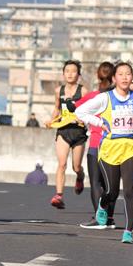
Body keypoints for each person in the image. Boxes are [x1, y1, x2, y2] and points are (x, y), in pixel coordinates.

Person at [75, 62, 133, 243]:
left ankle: (128, 231)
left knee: (128, 190)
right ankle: (102, 206)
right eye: (121, 74)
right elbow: (80, 111)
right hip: (109, 148)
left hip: (130, 148)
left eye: (129, 74)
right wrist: (99, 123)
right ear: (114, 78)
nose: (126, 78)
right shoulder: (106, 98)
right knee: (111, 190)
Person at [46, 60, 88, 209]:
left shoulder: (83, 91)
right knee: (62, 164)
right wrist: (51, 121)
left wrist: (80, 118)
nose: (70, 74)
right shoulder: (59, 91)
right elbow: (57, 108)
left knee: (76, 166)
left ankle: (80, 177)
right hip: (63, 130)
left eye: (73, 71)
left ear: (78, 75)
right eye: (67, 71)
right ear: (63, 74)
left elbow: (88, 110)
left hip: (79, 132)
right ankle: (59, 195)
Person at [78, 61, 114, 229]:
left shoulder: (93, 96)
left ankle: (99, 218)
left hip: (96, 143)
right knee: (110, 183)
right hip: (116, 143)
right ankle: (110, 217)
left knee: (95, 182)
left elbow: (75, 108)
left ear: (98, 76)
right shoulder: (118, 96)